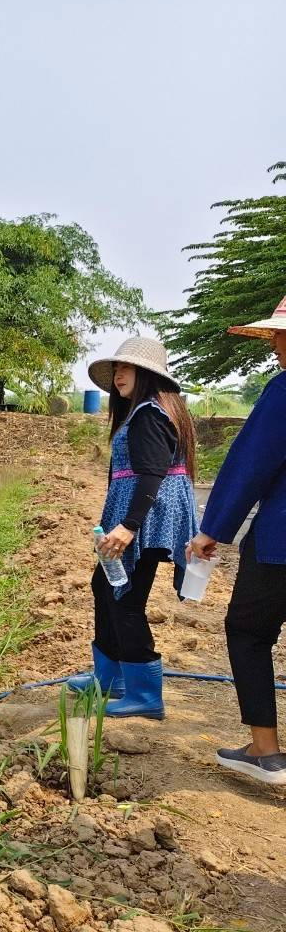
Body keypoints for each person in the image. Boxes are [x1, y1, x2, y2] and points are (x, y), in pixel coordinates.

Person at [66, 337, 198, 719]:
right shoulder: (145, 410)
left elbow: (153, 474)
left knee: (125, 600)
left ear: (146, 375)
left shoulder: (149, 414)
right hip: (141, 517)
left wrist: (128, 526)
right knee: (105, 587)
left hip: (148, 521)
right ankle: (110, 681)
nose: (118, 375)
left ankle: (144, 693)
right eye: (117, 369)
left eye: (126, 368)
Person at [188, 295, 286, 785]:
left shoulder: (285, 391)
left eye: (279, 333)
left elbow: (251, 464)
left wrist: (213, 530)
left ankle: (265, 750)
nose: (273, 342)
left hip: (280, 546)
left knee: (249, 631)